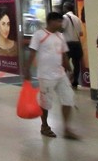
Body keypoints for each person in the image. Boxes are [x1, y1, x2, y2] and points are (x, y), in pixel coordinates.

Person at [25, 11, 79, 139]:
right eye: (59, 21)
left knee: (68, 99)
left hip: (60, 74)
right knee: (45, 103)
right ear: (51, 22)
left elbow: (64, 54)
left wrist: (70, 70)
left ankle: (66, 128)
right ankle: (44, 126)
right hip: (45, 75)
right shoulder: (39, 35)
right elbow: (32, 52)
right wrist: (26, 70)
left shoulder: (60, 36)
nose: (61, 24)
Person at [61, 1, 84, 89]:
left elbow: (61, 29)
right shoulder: (77, 18)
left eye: (64, 7)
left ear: (66, 8)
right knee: (76, 63)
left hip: (68, 44)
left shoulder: (65, 17)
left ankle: (64, 81)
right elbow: (81, 33)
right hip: (77, 43)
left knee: (65, 63)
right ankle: (75, 82)